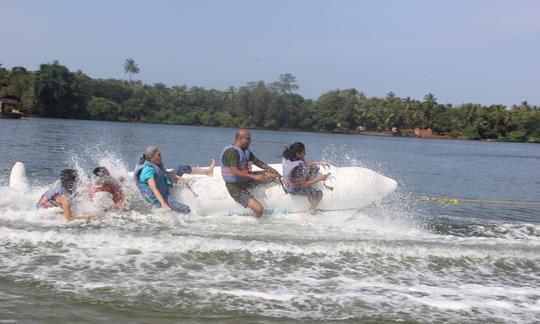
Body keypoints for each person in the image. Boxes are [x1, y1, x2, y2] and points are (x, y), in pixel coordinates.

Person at [133, 146, 215, 213]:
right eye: (159, 155)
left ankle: (207, 172)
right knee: (184, 208)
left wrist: (177, 177)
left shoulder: (155, 163)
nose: (162, 157)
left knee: (181, 168)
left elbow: (164, 173)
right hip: (161, 196)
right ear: (151, 157)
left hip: (164, 184)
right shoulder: (148, 170)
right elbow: (153, 188)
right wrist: (164, 204)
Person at [221, 128, 280, 217]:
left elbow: (258, 163)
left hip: (246, 181)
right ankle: (255, 225)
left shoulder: (245, 150)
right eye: (248, 139)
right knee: (259, 209)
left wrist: (274, 171)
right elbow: (234, 172)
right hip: (235, 187)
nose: (250, 141)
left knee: (272, 176)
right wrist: (254, 177)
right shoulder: (232, 152)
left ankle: (256, 193)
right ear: (239, 139)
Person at [282, 142, 330, 212]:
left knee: (315, 168)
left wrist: (319, 163)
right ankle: (311, 210)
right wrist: (319, 179)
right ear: (297, 154)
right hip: (295, 189)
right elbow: (304, 184)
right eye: (303, 153)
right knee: (319, 193)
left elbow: (304, 164)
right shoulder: (298, 167)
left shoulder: (287, 158)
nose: (305, 154)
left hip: (288, 183)